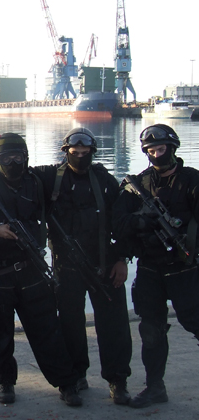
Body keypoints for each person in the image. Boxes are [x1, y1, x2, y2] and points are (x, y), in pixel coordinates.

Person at [0, 128, 133, 403]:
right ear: (66, 152)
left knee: (114, 326)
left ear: (93, 153)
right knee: (70, 326)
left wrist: (122, 258)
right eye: (75, 153)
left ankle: (117, 381)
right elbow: (14, 171)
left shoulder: (104, 180)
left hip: (105, 265)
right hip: (67, 267)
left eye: (85, 153)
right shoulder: (50, 177)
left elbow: (123, 221)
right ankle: (76, 375)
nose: (80, 157)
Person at [0, 133, 82, 407]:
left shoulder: (36, 182)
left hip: (32, 271)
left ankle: (66, 383)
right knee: (0, 332)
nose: (13, 162)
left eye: (18, 156)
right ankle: (6, 381)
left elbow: (71, 168)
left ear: (26, 157)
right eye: (7, 158)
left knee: (48, 330)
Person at [113, 124, 199, 409]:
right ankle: (154, 387)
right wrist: (141, 222)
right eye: (150, 150)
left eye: (160, 149)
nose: (156, 154)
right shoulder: (138, 185)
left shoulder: (192, 181)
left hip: (185, 268)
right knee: (151, 330)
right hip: (150, 268)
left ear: (172, 148)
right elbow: (118, 223)